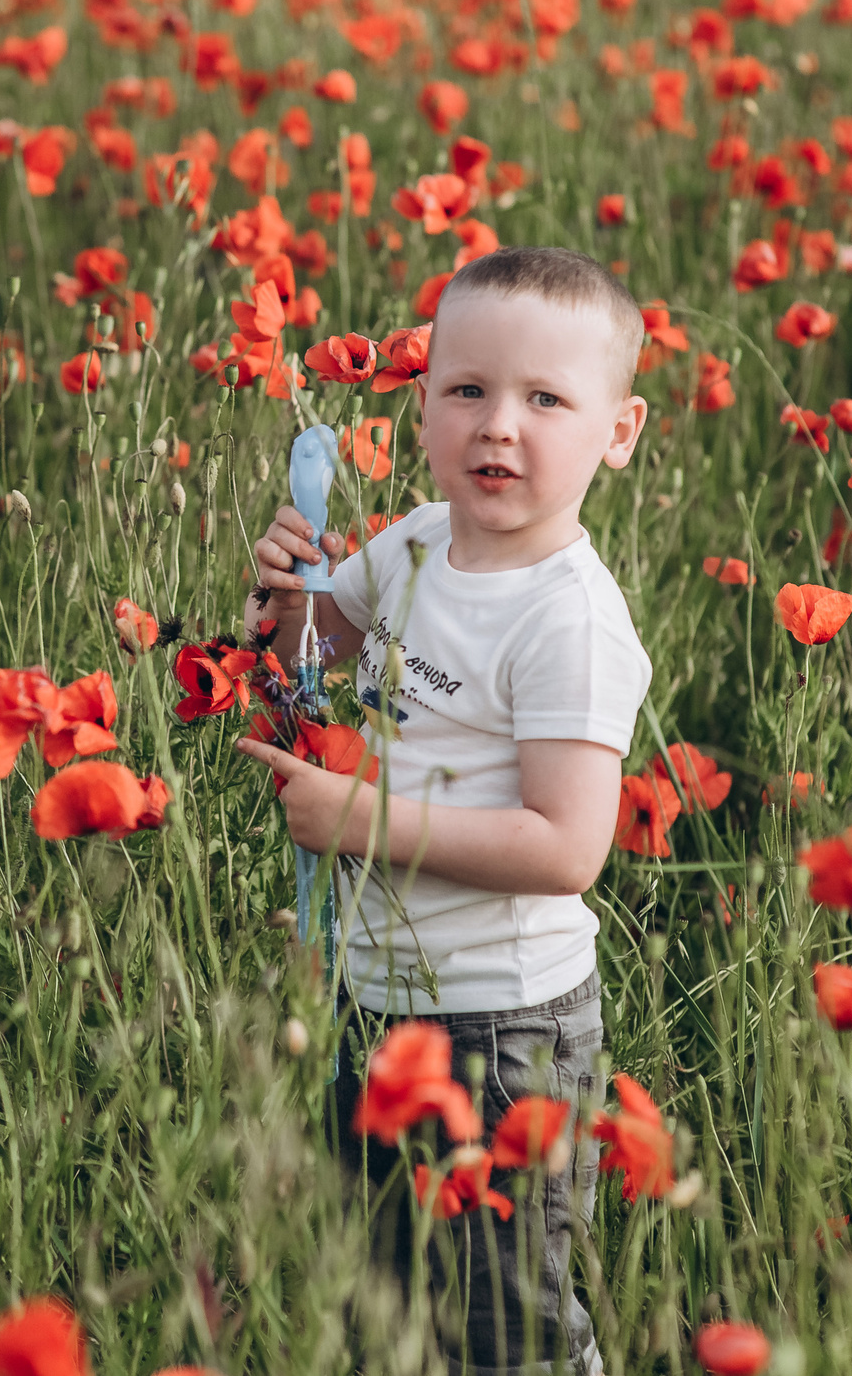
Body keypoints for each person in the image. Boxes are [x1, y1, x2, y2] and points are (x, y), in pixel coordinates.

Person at [237, 245, 652, 1376]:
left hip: (503, 1031)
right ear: (421, 406)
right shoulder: (417, 540)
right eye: (466, 388)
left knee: (503, 1320)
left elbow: (566, 846)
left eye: (545, 399)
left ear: (618, 431)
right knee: (389, 1295)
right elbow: (310, 653)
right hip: (375, 995)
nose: (497, 425)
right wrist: (285, 587)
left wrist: (362, 822)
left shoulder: (569, 620)